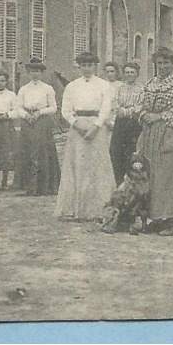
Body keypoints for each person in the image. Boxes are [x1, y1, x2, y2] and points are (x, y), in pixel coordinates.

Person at [136, 45, 173, 235]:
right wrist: (144, 114)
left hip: (169, 132)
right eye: (159, 63)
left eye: (166, 63)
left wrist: (159, 117)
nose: (162, 67)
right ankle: (155, 218)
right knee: (150, 174)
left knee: (167, 176)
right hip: (149, 133)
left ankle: (171, 221)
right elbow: (141, 104)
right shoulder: (151, 84)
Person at [54, 52, 115, 220]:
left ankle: (98, 209)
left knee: (97, 166)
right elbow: (65, 109)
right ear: (79, 67)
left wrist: (96, 126)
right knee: (78, 165)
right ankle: (75, 209)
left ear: (94, 66)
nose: (87, 68)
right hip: (78, 128)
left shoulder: (104, 85)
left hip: (97, 127)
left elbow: (106, 108)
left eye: (90, 65)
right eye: (83, 65)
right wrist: (76, 124)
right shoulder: (72, 86)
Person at [14, 57, 60, 196]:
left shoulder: (47, 88)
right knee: (27, 152)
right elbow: (18, 107)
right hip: (27, 122)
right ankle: (28, 186)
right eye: (32, 71)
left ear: (41, 73)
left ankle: (44, 186)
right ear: (29, 72)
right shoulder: (23, 89)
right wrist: (26, 116)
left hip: (42, 122)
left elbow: (53, 108)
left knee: (42, 153)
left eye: (38, 71)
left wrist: (40, 112)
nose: (35, 74)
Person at [109, 61, 144, 185]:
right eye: (127, 72)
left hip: (134, 123)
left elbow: (140, 106)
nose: (129, 75)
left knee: (131, 151)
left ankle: (132, 180)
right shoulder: (119, 88)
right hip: (120, 123)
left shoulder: (141, 89)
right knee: (116, 150)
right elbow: (114, 103)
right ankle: (119, 181)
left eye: (132, 72)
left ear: (137, 74)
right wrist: (120, 111)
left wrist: (128, 111)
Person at [99, 154, 151, 234]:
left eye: (140, 162)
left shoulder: (144, 180)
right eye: (134, 162)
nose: (137, 165)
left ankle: (141, 226)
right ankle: (112, 224)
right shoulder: (128, 182)